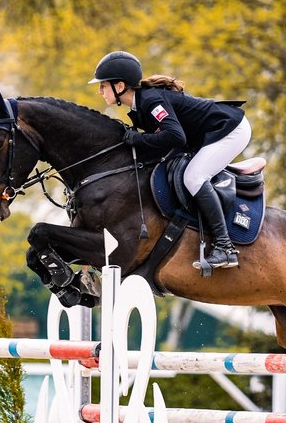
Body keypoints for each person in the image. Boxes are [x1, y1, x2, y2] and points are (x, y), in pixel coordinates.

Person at [89, 50, 250, 270]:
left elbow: (176, 136)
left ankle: (225, 247)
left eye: (103, 85)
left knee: (194, 177)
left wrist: (139, 139)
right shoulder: (139, 105)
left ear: (119, 86)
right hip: (209, 133)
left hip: (230, 129)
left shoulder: (151, 101)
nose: (99, 91)